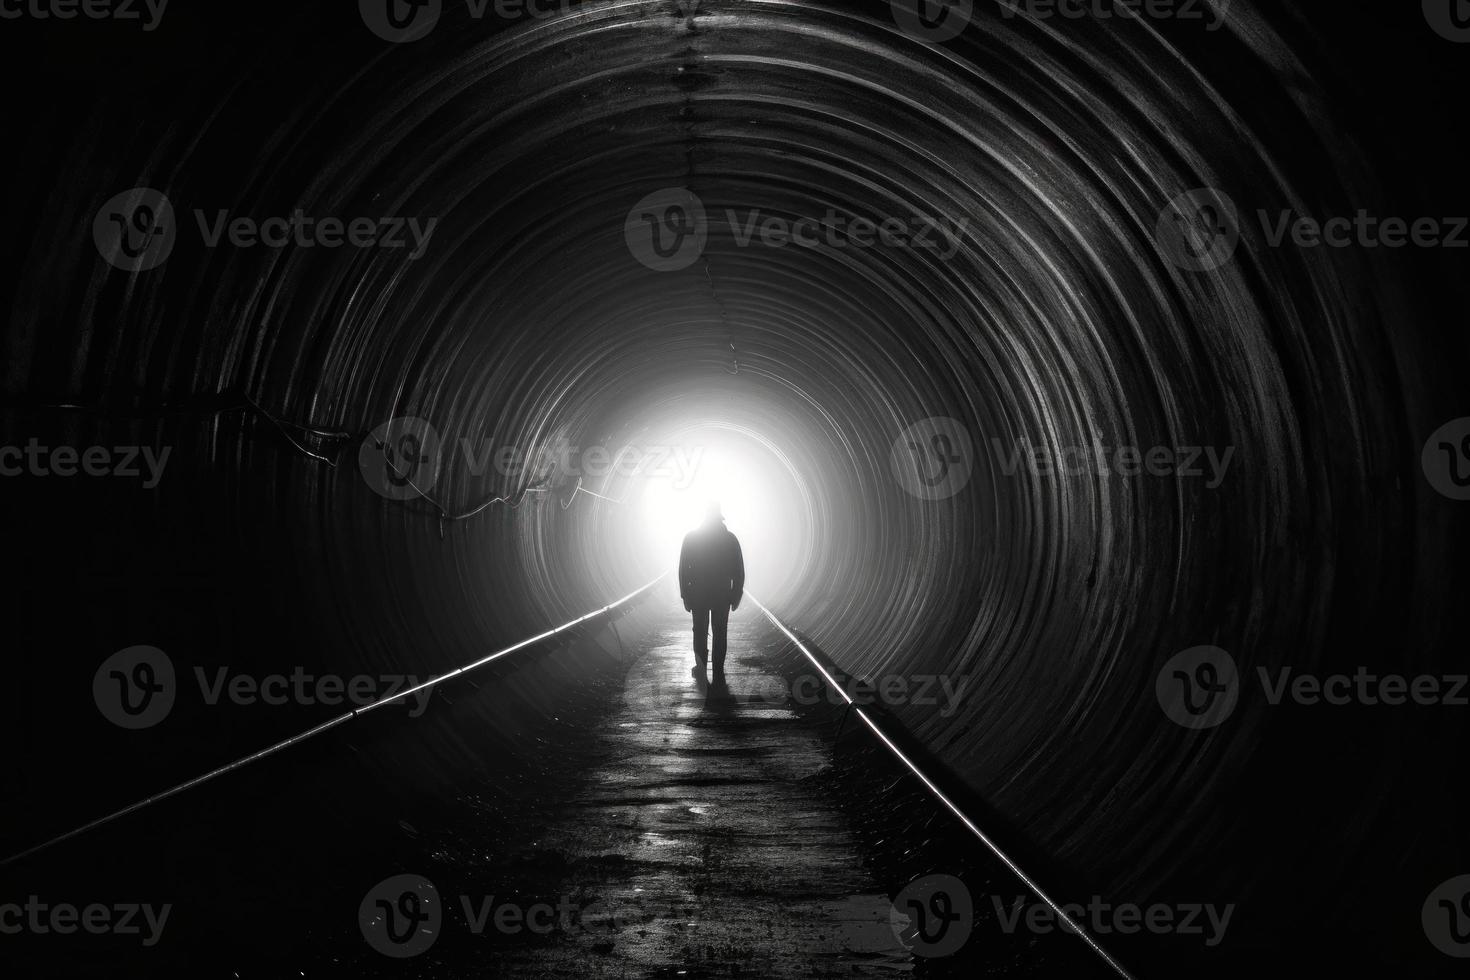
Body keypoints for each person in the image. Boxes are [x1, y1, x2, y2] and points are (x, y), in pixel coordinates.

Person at [678, 502, 744, 675]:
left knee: (699, 630)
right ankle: (718, 669)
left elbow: (683, 569)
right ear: (720, 518)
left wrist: (685, 595)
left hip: (698, 593)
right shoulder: (730, 539)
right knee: (720, 631)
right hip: (722, 593)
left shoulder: (692, 538)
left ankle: (700, 667)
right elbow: (738, 570)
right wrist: (736, 595)